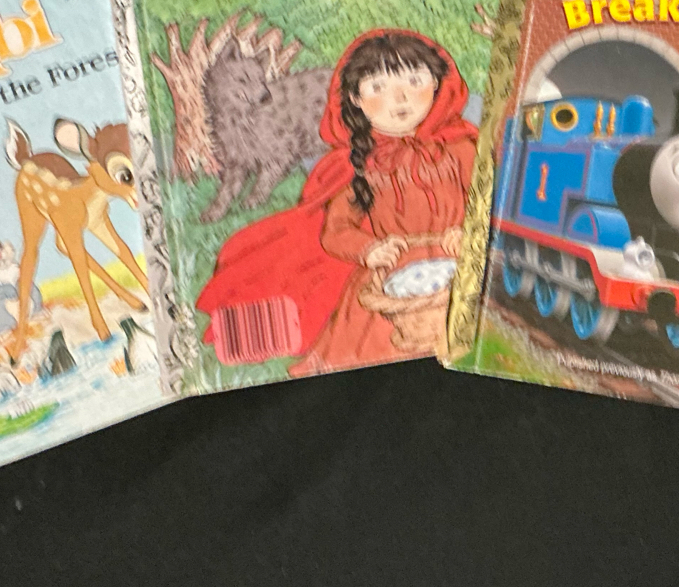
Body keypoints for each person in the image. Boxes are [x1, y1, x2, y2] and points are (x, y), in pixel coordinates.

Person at [196, 30, 476, 377]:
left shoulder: (462, 148)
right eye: (378, 87)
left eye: (415, 81)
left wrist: (470, 233)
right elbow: (337, 230)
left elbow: (494, 205)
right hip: (389, 276)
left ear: (438, 83)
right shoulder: (360, 166)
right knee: (372, 349)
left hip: (461, 266)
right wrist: (368, 249)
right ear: (354, 98)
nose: (400, 98)